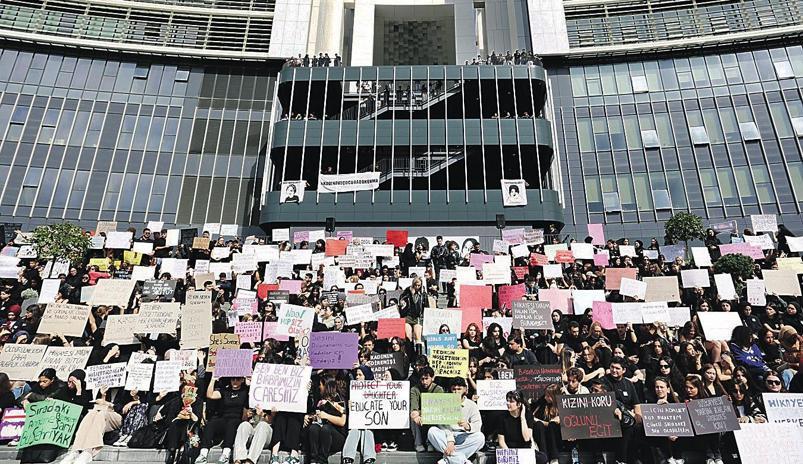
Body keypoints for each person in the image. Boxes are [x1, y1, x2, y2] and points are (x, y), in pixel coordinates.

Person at [426, 377, 483, 464]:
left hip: (463, 435)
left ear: (465, 389)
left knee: (480, 438)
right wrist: (450, 441)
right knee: (432, 431)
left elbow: (478, 424)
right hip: (446, 435)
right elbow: (443, 426)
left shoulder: (472, 405)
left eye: (459, 389)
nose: (456, 392)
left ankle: (447, 459)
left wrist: (468, 426)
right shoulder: (444, 403)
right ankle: (462, 460)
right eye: (454, 389)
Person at [195, 377, 250, 464]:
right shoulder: (225, 390)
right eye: (233, 379)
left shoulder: (245, 391)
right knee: (211, 424)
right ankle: (203, 453)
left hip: (236, 418)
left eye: (238, 379)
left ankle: (225, 454)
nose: (235, 381)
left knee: (231, 424)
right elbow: (210, 395)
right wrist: (212, 379)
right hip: (224, 417)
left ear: (242, 380)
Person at [305, 377, 346, 464]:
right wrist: (310, 417)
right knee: (313, 428)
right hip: (322, 437)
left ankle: (322, 461)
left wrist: (326, 416)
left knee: (326, 428)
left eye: (320, 385)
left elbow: (342, 422)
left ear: (326, 386)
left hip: (336, 437)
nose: (319, 387)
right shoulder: (320, 401)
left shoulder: (340, 400)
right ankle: (313, 460)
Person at [409, 366, 443, 452]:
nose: (424, 382)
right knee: (413, 417)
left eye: (427, 378)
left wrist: (422, 413)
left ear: (432, 378)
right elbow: (414, 409)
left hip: (433, 416)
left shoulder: (438, 390)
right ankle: (418, 443)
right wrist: (417, 414)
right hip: (419, 418)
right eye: (422, 379)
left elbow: (438, 409)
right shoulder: (414, 389)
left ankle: (430, 443)